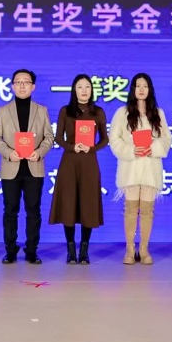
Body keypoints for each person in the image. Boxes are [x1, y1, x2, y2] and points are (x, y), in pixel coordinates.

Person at [0, 69, 54, 265]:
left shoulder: (41, 110)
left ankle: (32, 250)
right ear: (12, 86)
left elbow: (49, 137)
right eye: (18, 82)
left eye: (26, 82)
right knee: (10, 210)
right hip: (11, 166)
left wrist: (39, 152)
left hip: (34, 167)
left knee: (33, 210)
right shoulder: (3, 111)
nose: (22, 85)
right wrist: (9, 152)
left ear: (33, 86)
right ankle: (10, 250)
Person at [109, 73, 171, 265]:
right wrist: (131, 150)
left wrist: (154, 148)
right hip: (131, 168)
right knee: (130, 210)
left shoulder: (158, 113)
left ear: (150, 89)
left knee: (147, 211)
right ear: (133, 89)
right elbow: (114, 139)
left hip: (150, 168)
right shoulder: (122, 113)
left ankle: (144, 249)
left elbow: (166, 139)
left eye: (145, 86)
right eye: (138, 86)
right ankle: (130, 249)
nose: (142, 89)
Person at [49, 74, 109, 265]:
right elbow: (58, 137)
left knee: (87, 204)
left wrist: (92, 149)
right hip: (69, 161)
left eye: (87, 87)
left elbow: (105, 139)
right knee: (69, 204)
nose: (84, 90)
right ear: (74, 90)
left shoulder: (98, 112)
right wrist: (71, 146)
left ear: (92, 90)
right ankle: (70, 250)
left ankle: (84, 250)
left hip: (89, 162)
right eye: (80, 87)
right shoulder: (65, 111)